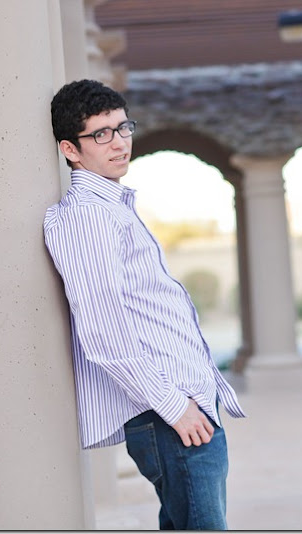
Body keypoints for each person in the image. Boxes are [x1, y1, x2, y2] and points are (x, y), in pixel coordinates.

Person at [43, 79, 246, 530]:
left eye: (123, 128)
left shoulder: (112, 208)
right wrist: (174, 405)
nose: (119, 143)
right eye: (101, 134)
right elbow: (103, 331)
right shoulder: (87, 218)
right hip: (168, 413)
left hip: (182, 405)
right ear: (70, 149)